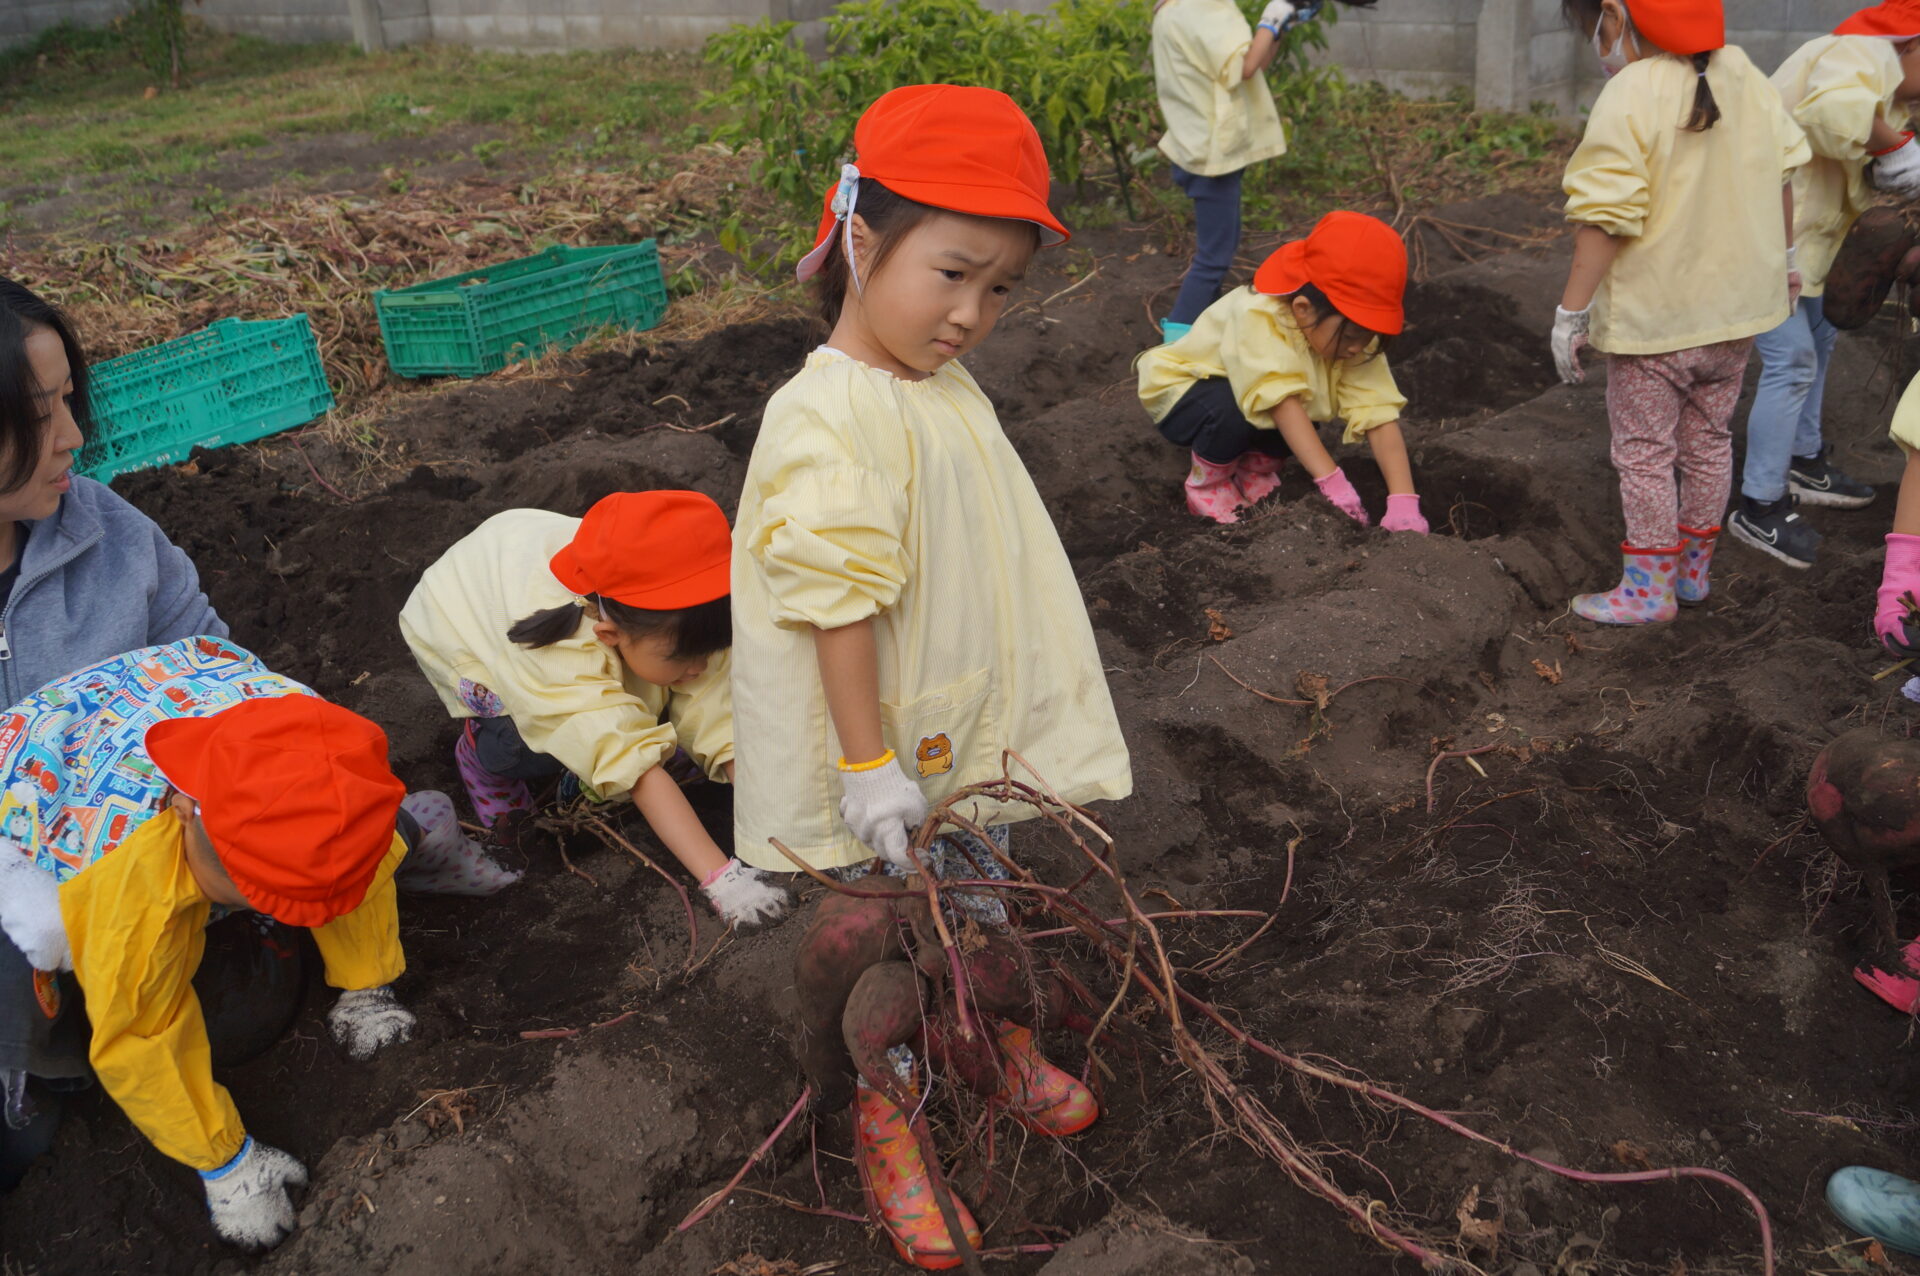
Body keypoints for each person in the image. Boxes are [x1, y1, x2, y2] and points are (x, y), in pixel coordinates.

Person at [728, 85, 1133, 1269]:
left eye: (1000, 288)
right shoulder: (826, 416)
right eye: (951, 273)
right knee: (892, 955)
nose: (972, 313)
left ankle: (994, 1044)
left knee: (982, 914)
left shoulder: (936, 386)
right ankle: (887, 1117)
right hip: (888, 768)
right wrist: (867, 770)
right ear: (862, 240)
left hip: (950, 742)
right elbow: (839, 605)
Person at [0, 637, 495, 1248]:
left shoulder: (329, 752)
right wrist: (225, 1163)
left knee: (359, 852)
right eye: (250, 891)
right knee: (92, 970)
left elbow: (350, 868)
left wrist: (368, 984)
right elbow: (141, 1031)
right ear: (184, 811)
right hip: (44, 769)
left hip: (184, 686)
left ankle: (367, 962)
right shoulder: (120, 879)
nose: (266, 908)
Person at [399, 490, 789, 929]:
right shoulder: (550, 653)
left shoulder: (691, 608)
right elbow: (630, 764)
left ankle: (646, 707)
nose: (698, 667)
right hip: (465, 620)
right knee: (530, 742)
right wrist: (723, 881)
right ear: (609, 634)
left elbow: (719, 710)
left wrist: (785, 830)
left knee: (669, 693)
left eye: (709, 649)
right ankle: (479, 755)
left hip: (531, 556)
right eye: (682, 657)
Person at [1550, 0, 1810, 623]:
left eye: (1595, 27)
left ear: (1615, 15)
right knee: (1710, 443)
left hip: (1655, 325)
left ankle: (1647, 590)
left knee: (1643, 452)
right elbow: (1782, 175)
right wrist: (1789, 260)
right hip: (1735, 316)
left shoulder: (1632, 91)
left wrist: (1571, 312)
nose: (1597, 41)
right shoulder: (1742, 71)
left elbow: (1606, 215)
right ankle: (1693, 573)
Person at [1729, 0, 1920, 568]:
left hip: (1808, 236)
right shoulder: (1858, 51)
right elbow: (1834, 111)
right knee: (1792, 360)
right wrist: (1891, 145)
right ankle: (1758, 506)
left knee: (1821, 341)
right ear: (1912, 42)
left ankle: (1803, 458)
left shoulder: (1885, 74)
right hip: (1762, 231)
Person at [0, 277, 226, 704]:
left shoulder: (110, 532)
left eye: (67, 398)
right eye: (34, 417)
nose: (73, 437)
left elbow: (222, 680)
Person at [1135, 210, 1426, 528]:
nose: (1359, 346)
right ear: (1303, 310)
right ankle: (1209, 485)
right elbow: (1281, 403)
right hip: (1186, 391)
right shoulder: (1258, 314)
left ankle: (1252, 469)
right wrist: (1334, 486)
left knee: (1303, 414)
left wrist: (1403, 502)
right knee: (1234, 410)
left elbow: (1379, 414)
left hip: (1254, 396)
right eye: (1354, 336)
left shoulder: (1350, 336)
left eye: (1371, 334)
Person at [1149, 0, 1293, 341]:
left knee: (1218, 253)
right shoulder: (1199, 9)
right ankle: (1175, 350)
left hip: (1200, 145)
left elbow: (1254, 61)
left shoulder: (1176, 8)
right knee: (1214, 258)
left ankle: (1206, 334)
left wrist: (1280, 23)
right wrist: (1274, 16)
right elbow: (1245, 67)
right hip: (1213, 152)